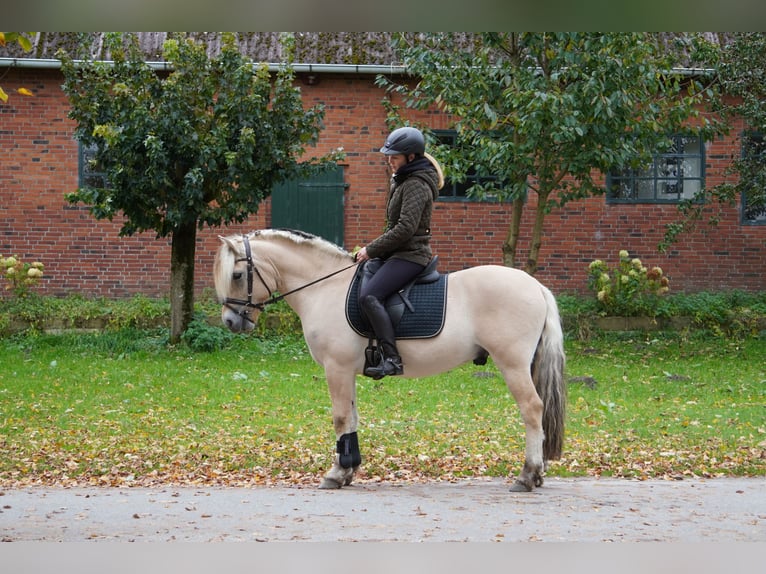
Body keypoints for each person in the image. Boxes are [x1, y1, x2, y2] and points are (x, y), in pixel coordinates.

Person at [354, 126, 442, 378]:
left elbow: (404, 229)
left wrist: (371, 249)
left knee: (369, 297)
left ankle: (392, 359)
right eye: (388, 156)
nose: (390, 160)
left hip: (411, 255)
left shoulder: (416, 184)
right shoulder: (402, 179)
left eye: (395, 156)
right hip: (398, 252)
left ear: (411, 157)